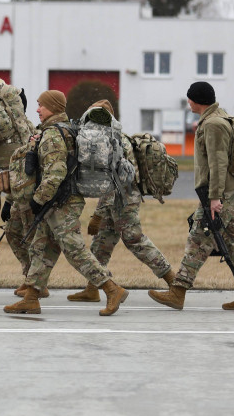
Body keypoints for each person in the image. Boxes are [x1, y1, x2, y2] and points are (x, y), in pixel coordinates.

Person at [4, 90, 129, 316]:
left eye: (41, 105)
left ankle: (112, 289)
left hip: (61, 202)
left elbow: (55, 173)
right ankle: (31, 297)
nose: (37, 109)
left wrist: (37, 200)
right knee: (42, 247)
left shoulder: (53, 134)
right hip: (58, 200)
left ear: (52, 107)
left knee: (74, 250)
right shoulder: (66, 129)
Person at [149, 81, 234, 311]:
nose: (188, 101)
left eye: (189, 98)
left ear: (197, 100)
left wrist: (214, 197)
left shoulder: (213, 124)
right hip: (226, 191)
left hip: (221, 193)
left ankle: (177, 292)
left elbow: (218, 163)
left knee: (199, 238)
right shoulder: (216, 118)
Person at [71, 99, 176, 302]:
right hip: (116, 200)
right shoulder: (110, 138)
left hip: (124, 200)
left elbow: (113, 181)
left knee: (134, 239)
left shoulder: (114, 141)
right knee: (102, 242)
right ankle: (92, 288)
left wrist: (98, 215)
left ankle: (174, 283)